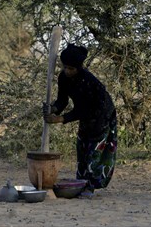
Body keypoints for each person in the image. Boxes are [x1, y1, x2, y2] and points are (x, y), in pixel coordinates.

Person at [42, 44, 117, 199]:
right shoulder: (63, 78)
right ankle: (81, 184)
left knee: (93, 152)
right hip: (86, 117)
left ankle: (89, 188)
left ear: (79, 67)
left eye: (71, 68)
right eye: (65, 67)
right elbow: (62, 100)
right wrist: (53, 109)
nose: (67, 71)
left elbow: (85, 110)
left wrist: (61, 119)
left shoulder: (89, 82)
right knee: (82, 149)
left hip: (101, 115)